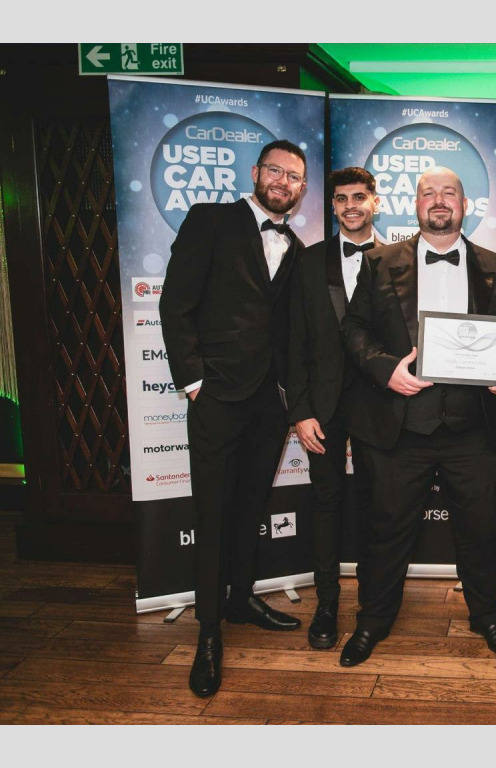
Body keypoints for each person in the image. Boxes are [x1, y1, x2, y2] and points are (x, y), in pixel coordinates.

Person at [341, 166, 496, 666]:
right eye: (429, 193)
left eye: (449, 193)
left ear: (465, 205)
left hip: (476, 427)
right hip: (399, 425)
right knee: (385, 532)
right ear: (416, 204)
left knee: (483, 531)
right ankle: (372, 620)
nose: (439, 201)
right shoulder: (378, 263)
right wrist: (386, 371)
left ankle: (487, 616)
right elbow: (353, 329)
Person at [160, 140, 307, 697]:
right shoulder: (211, 220)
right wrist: (194, 382)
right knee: (214, 511)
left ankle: (241, 598)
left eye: (293, 176)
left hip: (270, 401)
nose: (283, 182)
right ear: (255, 172)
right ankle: (208, 631)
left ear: (301, 189)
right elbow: (175, 304)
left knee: (251, 506)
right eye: (275, 171)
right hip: (217, 396)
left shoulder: (297, 246)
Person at [287, 167, 382, 650]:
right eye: (342, 198)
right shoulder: (308, 261)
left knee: (375, 504)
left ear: (375, 201)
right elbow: (293, 340)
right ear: (332, 206)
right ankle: (326, 604)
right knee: (325, 503)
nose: (350, 206)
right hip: (322, 408)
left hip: (381, 405)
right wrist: (300, 410)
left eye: (359, 197)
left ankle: (372, 603)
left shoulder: (399, 258)